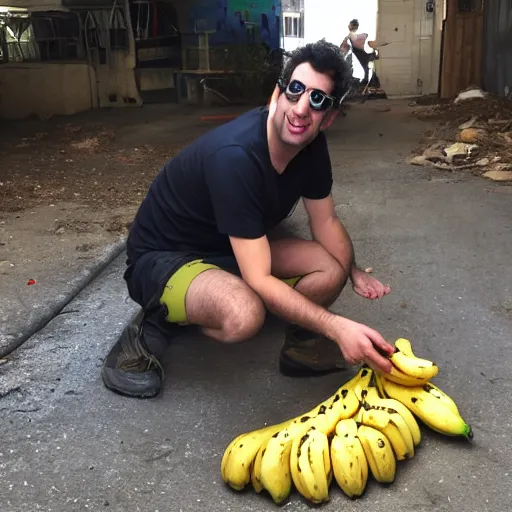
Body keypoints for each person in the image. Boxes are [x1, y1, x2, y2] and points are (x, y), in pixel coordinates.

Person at [101, 39, 394, 400]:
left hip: (232, 245)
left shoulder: (312, 146)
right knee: (244, 315)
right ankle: (156, 321)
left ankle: (300, 345)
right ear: (278, 94)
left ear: (329, 116)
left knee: (330, 267)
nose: (302, 109)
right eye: (296, 90)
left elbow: (326, 221)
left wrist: (352, 270)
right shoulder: (235, 157)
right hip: (164, 258)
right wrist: (335, 327)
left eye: (317, 100)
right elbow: (258, 275)